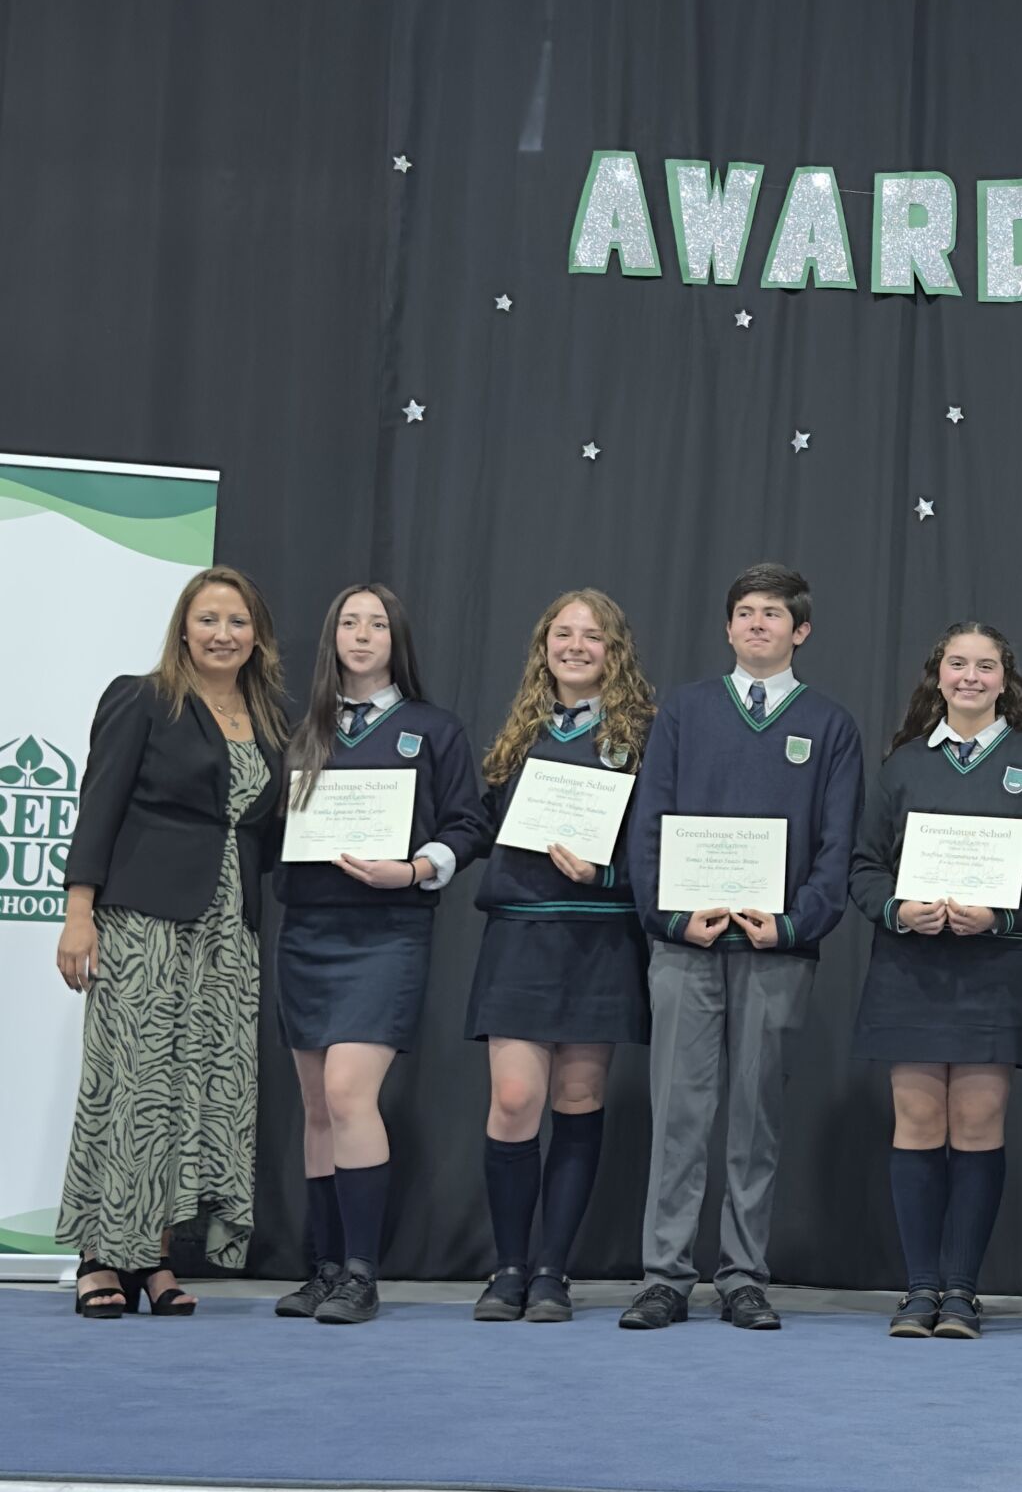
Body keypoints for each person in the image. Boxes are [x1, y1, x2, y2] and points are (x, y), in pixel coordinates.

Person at [620, 562, 863, 1332]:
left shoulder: (829, 726)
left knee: (756, 1117)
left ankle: (742, 1274)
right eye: (746, 613)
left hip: (775, 950)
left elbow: (836, 850)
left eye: (773, 614)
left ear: (802, 630)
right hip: (686, 944)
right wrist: (669, 917)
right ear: (727, 628)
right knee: (678, 1113)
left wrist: (793, 924)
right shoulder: (684, 711)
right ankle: (665, 1275)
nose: (758, 624)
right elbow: (648, 823)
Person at [55, 568, 289, 1314]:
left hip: (228, 932)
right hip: (144, 923)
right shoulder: (143, 698)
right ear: (183, 630)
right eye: (208, 619)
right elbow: (100, 804)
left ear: (257, 636)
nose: (223, 633)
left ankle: (154, 1257)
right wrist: (79, 910)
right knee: (133, 1085)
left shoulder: (272, 721)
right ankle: (100, 1257)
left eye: (238, 621)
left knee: (195, 1092)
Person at [850, 619, 1022, 1340]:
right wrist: (898, 910)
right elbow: (864, 867)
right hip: (911, 968)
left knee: (978, 1125)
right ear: (939, 675)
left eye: (985, 666)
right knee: (919, 1123)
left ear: (1005, 679)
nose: (970, 677)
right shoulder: (902, 766)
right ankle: (921, 1288)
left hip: (994, 968)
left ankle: (961, 1292)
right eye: (958, 664)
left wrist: (1001, 915)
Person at [274, 584, 488, 1328]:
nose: (361, 635)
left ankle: (363, 1273)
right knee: (316, 1106)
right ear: (332, 637)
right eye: (348, 623)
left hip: (388, 931)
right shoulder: (302, 732)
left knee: (347, 1094)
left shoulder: (433, 729)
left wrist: (418, 868)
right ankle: (325, 1267)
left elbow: (469, 824)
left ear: (397, 639)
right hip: (307, 931)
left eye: (376, 624)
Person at [466, 590, 655, 1324]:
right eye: (563, 633)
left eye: (593, 636)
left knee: (578, 1101)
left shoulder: (642, 737)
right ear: (543, 644)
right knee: (515, 1101)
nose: (576, 646)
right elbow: (475, 824)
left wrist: (607, 875)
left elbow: (659, 845)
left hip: (597, 936)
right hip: (520, 935)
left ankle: (551, 1270)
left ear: (615, 651)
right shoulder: (518, 735)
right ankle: (508, 1265)